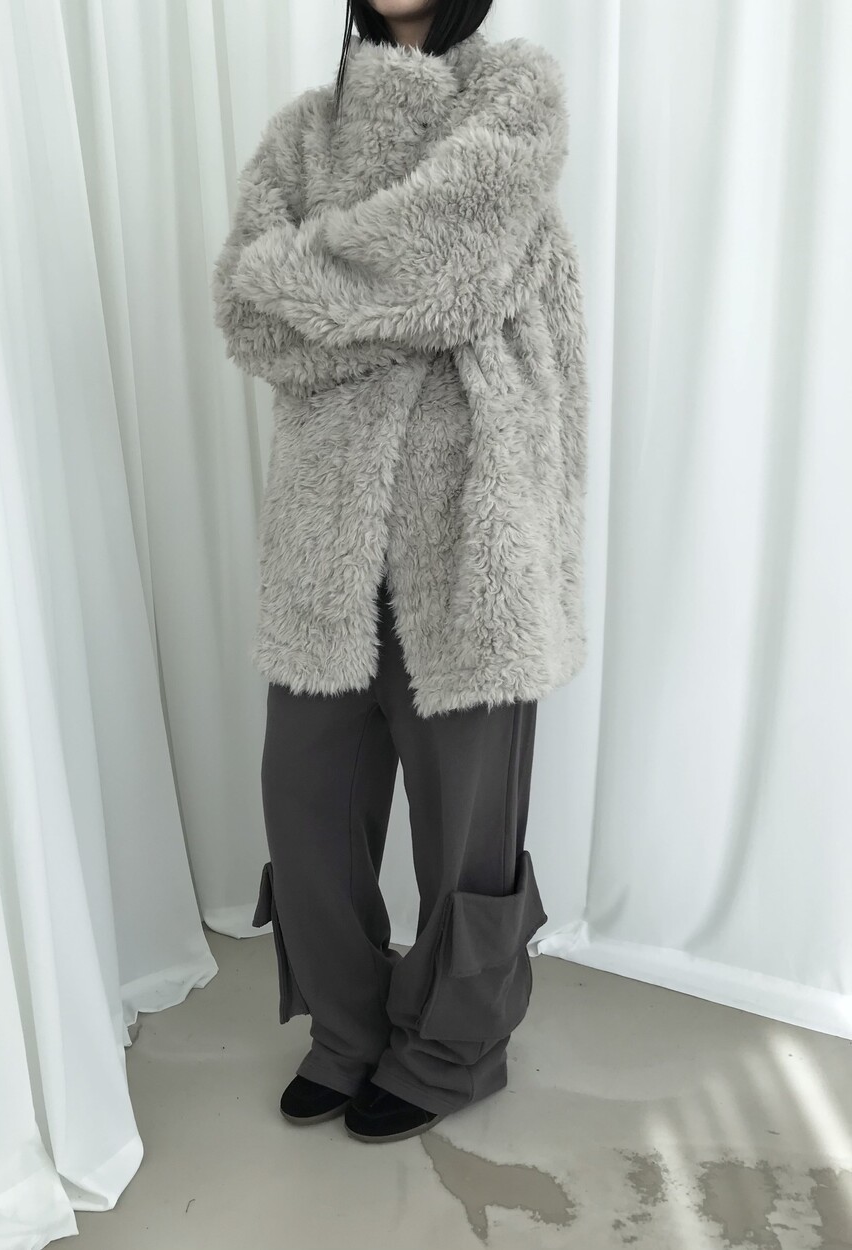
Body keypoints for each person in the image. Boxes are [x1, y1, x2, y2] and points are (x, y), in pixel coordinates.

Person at [211, 0, 588, 1144]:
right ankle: (347, 1028)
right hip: (326, 532)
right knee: (306, 802)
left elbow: (455, 266)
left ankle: (455, 1047)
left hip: (471, 522)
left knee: (465, 822)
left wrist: (314, 280)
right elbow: (247, 311)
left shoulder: (512, 94)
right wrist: (388, 295)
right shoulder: (302, 131)